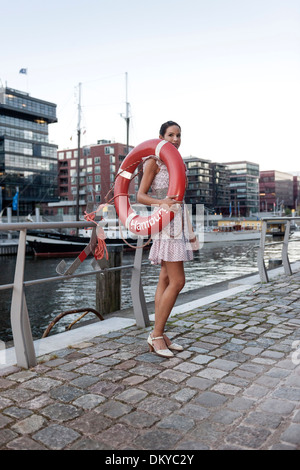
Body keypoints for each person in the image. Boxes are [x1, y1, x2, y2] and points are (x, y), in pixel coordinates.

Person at [137, 121, 198, 358]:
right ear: (161, 137)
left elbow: (181, 199)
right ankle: (156, 334)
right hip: (165, 223)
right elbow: (141, 196)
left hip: (179, 222)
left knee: (165, 278)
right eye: (170, 135)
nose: (175, 139)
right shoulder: (154, 161)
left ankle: (159, 334)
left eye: (178, 135)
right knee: (178, 281)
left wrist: (190, 231)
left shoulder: (178, 163)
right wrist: (160, 202)